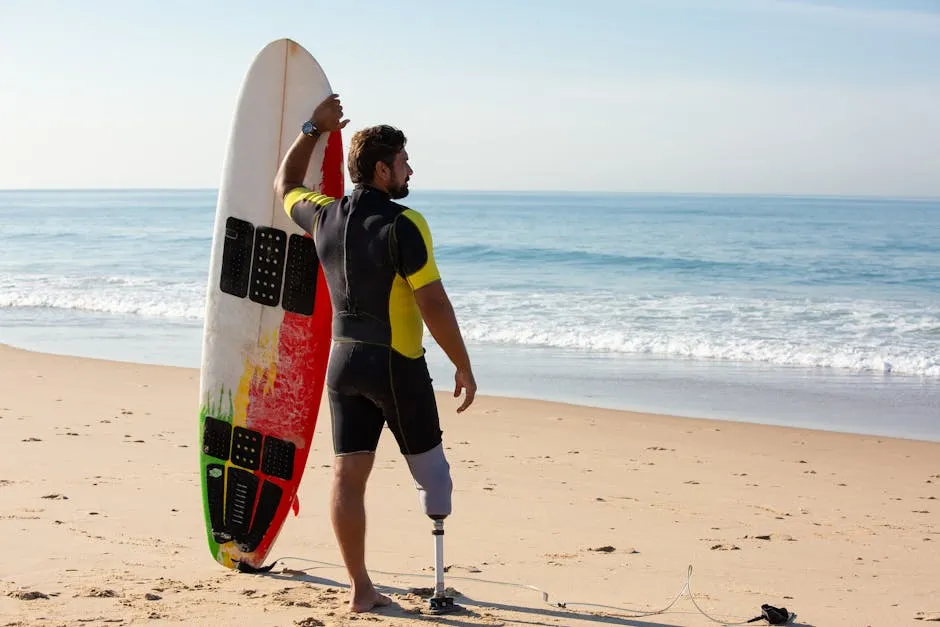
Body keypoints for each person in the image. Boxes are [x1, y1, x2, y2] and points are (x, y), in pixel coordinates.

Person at [273, 94, 477, 613]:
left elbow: (285, 185)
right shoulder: (405, 224)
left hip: (343, 366)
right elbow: (432, 301)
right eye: (404, 161)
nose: (411, 169)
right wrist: (463, 363)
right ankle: (436, 585)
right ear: (383, 168)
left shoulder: (324, 216)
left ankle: (362, 591)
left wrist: (311, 130)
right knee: (434, 477)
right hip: (396, 366)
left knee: (347, 475)